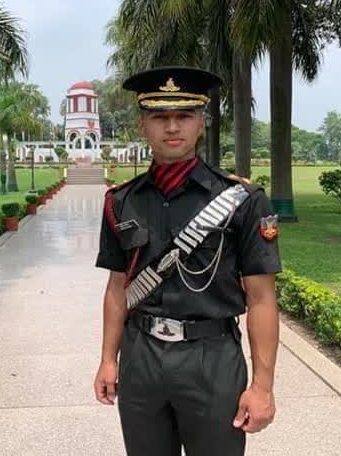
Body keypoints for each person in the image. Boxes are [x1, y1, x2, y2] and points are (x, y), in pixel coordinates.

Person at [93, 66, 282, 456]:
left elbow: (262, 298)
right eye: (160, 117)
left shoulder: (242, 201)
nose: (172, 127)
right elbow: (117, 289)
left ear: (201, 124)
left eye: (184, 116)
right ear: (142, 126)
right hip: (141, 356)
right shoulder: (120, 201)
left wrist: (262, 387)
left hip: (212, 358)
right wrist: (108, 360)